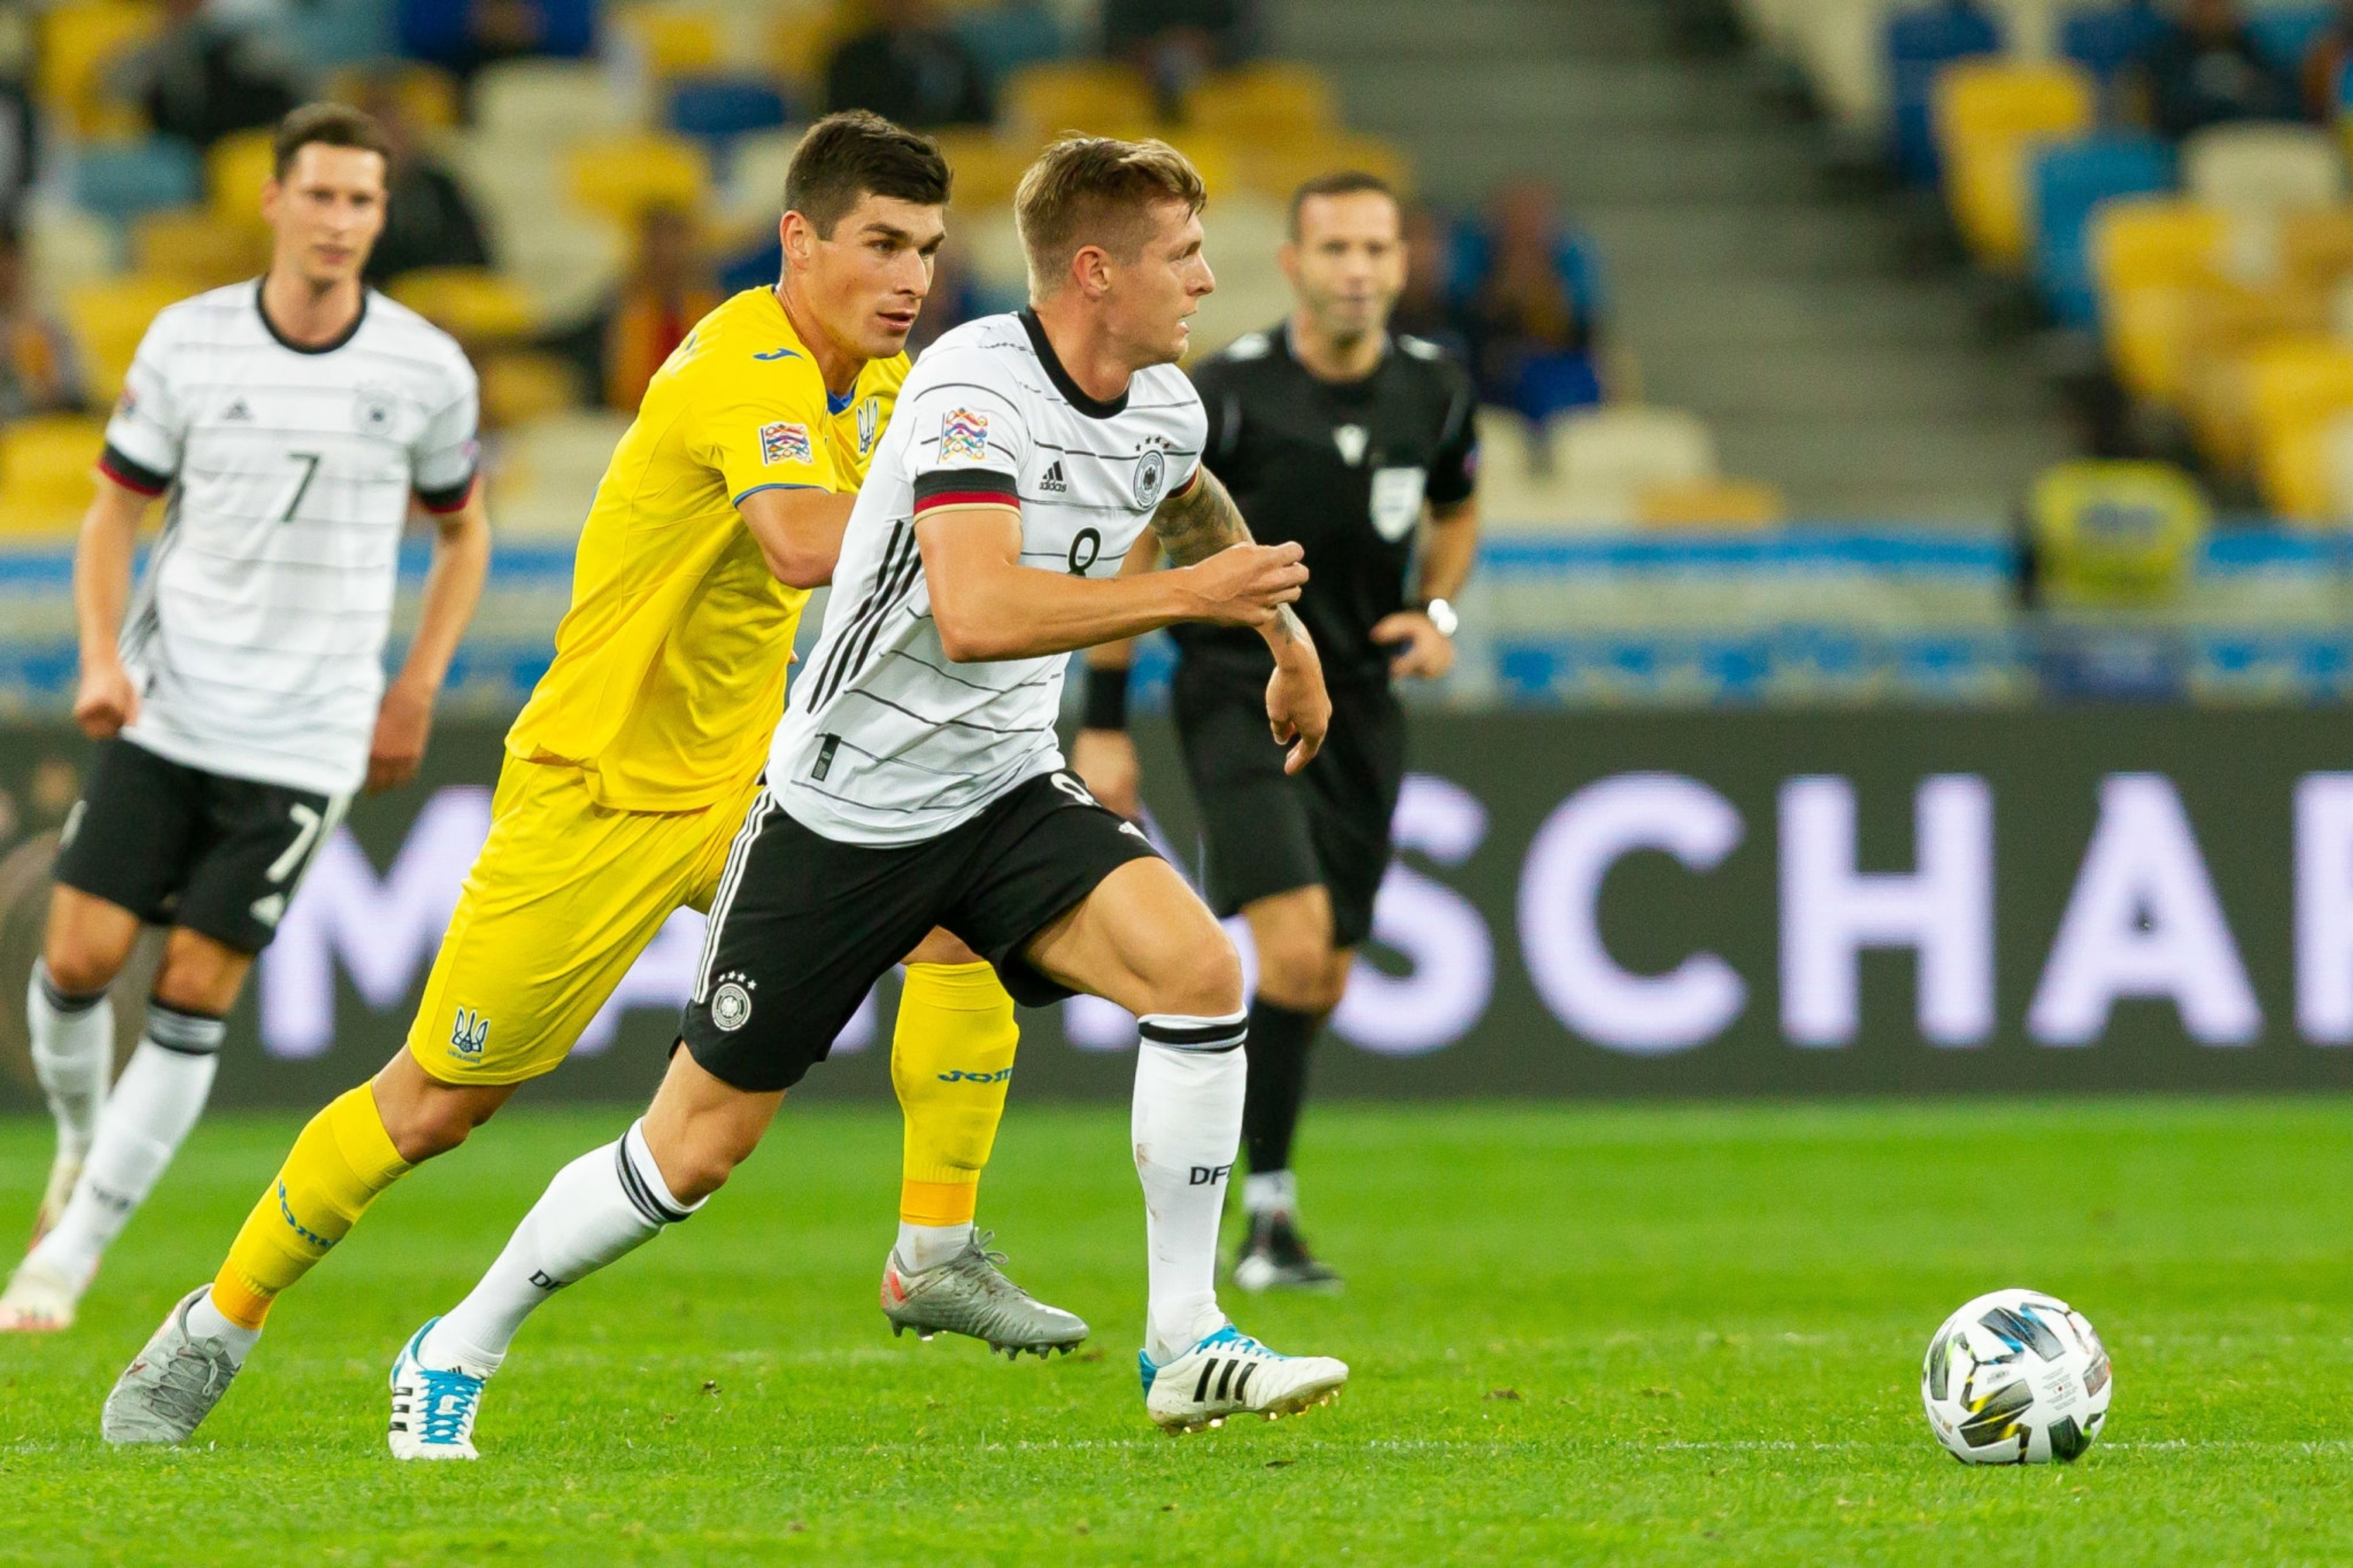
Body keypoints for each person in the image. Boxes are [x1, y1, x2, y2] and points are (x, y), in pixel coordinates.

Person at [98, 109, 1087, 1449]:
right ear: (799, 241)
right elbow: (801, 543)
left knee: (958, 919)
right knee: (438, 1103)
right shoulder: (749, 365)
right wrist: (986, 520)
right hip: (600, 790)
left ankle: (935, 1247)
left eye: (926, 247)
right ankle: (212, 1324)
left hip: (754, 778)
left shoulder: (891, 382)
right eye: (879, 245)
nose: (910, 277)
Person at [363, 133, 1342, 1460]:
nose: (1209, 282)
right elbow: (980, 608)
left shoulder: (1165, 399)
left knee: (1197, 971)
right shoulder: (968, 390)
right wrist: (1194, 603)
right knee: (690, 1154)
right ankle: (456, 1341)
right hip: (847, 807)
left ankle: (1187, 1336)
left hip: (1001, 788)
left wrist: (1290, 647)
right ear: (1099, 271)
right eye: (1184, 256)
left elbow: (1189, 502)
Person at [0, 103, 489, 1334]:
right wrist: (101, 656)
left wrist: (416, 681)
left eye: (361, 202)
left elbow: (463, 530)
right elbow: (113, 511)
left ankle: (68, 1255)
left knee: (195, 986)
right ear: (273, 201)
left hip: (307, 735)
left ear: (381, 216)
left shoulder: (424, 367)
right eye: (319, 196)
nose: (338, 221)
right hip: (172, 706)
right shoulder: (188, 341)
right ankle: (76, 1137)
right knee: (76, 961)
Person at [1074, 171, 1478, 1292]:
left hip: (1362, 699)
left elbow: (1455, 508)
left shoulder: (1436, 391)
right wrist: (1100, 723)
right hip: (1230, 691)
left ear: (1401, 263)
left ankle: (1272, 1208)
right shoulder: (1230, 394)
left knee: (1323, 972)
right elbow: (1144, 546)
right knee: (1292, 946)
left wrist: (1435, 612)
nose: (1357, 268)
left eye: (1376, 247)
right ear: (1293, 264)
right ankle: (1244, 1225)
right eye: (1334, 247)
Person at [356, 73, 492, 288]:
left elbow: (475, 254)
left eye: (397, 132)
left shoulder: (440, 186)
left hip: (445, 298)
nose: (392, 145)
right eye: (381, 134)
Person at [122, 0, 306, 151]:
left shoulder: (242, 23)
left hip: (244, 133)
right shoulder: (152, 42)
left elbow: (290, 81)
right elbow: (121, 89)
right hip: (183, 142)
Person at [601, 202, 723, 412]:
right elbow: (622, 391)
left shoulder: (716, 309)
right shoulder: (619, 311)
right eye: (657, 238)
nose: (667, 250)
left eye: (676, 237)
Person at [2133, 0, 2296, 142]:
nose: (2213, 11)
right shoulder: (2167, 54)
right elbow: (2170, 110)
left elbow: (2285, 97)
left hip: (2251, 138)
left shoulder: (2250, 48)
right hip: (2193, 145)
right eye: (2205, 4)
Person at [823, 0, 993, 131]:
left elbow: (980, 122)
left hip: (953, 158)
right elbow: (847, 125)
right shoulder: (853, 58)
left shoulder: (951, 51)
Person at [0, 223, 86, 420]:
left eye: (11, 261)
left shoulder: (49, 324)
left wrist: (46, 379)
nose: (6, 272)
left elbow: (76, 394)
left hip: (52, 432)